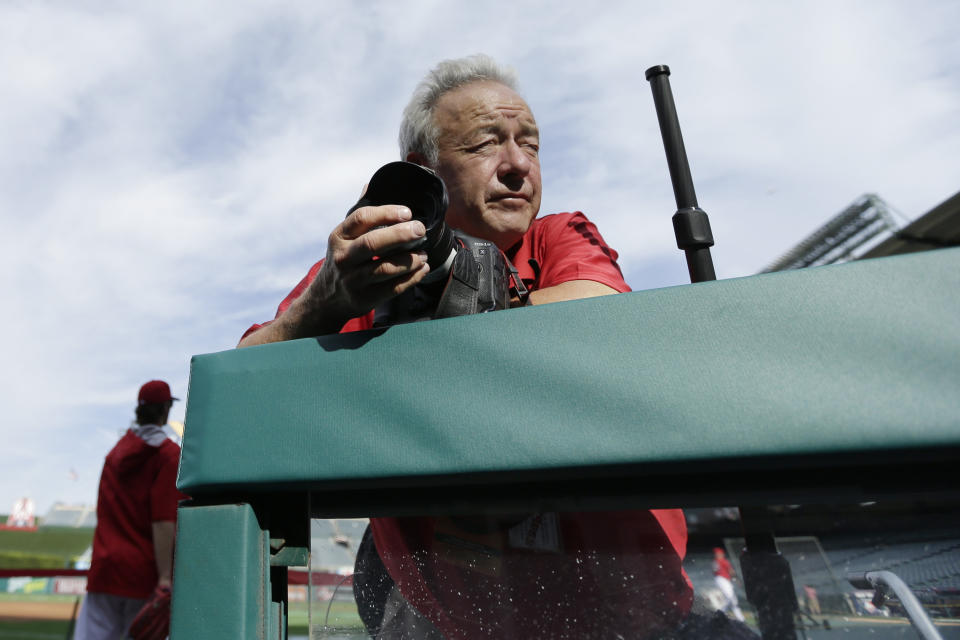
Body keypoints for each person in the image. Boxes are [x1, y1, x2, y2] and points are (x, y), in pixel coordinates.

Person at [240, 55, 754, 639]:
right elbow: (240, 383)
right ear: (422, 170)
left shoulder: (558, 235)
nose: (517, 165)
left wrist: (470, 305)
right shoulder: (368, 271)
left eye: (529, 145)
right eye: (487, 143)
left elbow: (596, 314)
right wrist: (326, 302)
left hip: (632, 625)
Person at [75, 380, 188, 640]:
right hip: (143, 576)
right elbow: (163, 521)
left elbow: (104, 513)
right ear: (166, 410)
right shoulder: (168, 456)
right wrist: (163, 578)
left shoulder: (113, 454)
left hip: (105, 570)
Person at [713, 547, 747, 622]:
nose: (718, 555)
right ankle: (719, 613)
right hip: (722, 580)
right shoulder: (722, 561)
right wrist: (736, 580)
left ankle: (740, 618)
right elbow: (731, 571)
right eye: (717, 553)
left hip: (720, 580)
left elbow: (715, 571)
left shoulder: (715, 561)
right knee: (731, 599)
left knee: (732, 600)